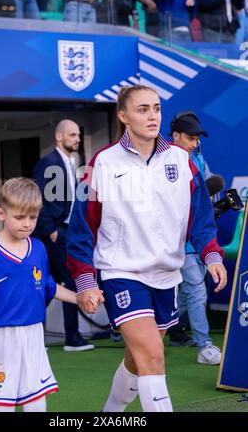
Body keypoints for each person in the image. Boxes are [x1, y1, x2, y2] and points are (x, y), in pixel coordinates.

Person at [66, 85, 227, 412]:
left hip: (167, 275)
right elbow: (82, 227)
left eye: (156, 108)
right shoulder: (104, 163)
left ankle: (109, 415)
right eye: (142, 109)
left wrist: (211, 254)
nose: (152, 115)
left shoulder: (182, 160)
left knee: (138, 359)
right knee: (152, 352)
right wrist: (85, 281)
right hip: (122, 273)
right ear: (123, 116)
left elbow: (200, 216)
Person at [0, 178, 96, 412]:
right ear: (1, 213)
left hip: (33, 335)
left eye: (33, 218)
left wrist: (78, 297)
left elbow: (48, 286)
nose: (27, 224)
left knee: (37, 404)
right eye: (19, 217)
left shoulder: (39, 249)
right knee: (3, 407)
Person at [33, 119, 95, 352]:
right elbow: (37, 199)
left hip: (69, 232)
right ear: (59, 137)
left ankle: (52, 336)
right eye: (72, 135)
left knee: (55, 285)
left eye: (78, 135)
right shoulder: (47, 163)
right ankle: (71, 337)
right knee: (64, 284)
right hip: (57, 234)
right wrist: (51, 231)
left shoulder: (73, 163)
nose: (77, 139)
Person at [168, 111, 222, 364]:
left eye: (197, 138)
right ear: (176, 136)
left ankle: (152, 322)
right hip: (178, 243)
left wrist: (218, 204)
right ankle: (205, 346)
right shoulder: (163, 161)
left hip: (199, 242)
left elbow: (210, 193)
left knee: (186, 297)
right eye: (190, 138)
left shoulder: (199, 159)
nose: (194, 143)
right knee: (198, 293)